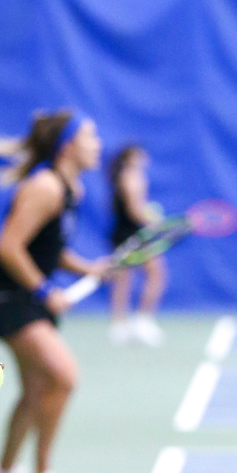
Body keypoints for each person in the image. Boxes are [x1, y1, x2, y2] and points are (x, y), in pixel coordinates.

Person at [0, 110, 107, 473]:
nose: (97, 144)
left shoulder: (70, 188)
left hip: (24, 295)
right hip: (6, 298)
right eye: (90, 135)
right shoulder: (45, 186)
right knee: (62, 377)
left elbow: (46, 247)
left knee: (37, 387)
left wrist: (88, 268)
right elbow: (9, 246)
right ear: (68, 145)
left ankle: (2, 471)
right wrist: (46, 291)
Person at [107, 144, 166, 346]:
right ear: (131, 157)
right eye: (140, 154)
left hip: (127, 232)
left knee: (124, 278)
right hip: (131, 234)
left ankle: (121, 324)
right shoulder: (131, 176)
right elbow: (134, 209)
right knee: (155, 273)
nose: (144, 157)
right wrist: (153, 220)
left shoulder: (130, 175)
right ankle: (141, 321)